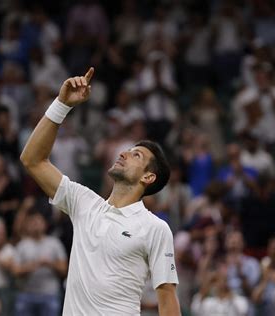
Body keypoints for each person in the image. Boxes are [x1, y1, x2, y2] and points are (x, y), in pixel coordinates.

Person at [20, 67, 181, 315]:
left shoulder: (155, 228)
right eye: (127, 150)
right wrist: (62, 104)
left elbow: (167, 298)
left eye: (135, 154)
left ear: (149, 177)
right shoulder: (83, 202)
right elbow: (32, 160)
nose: (123, 153)